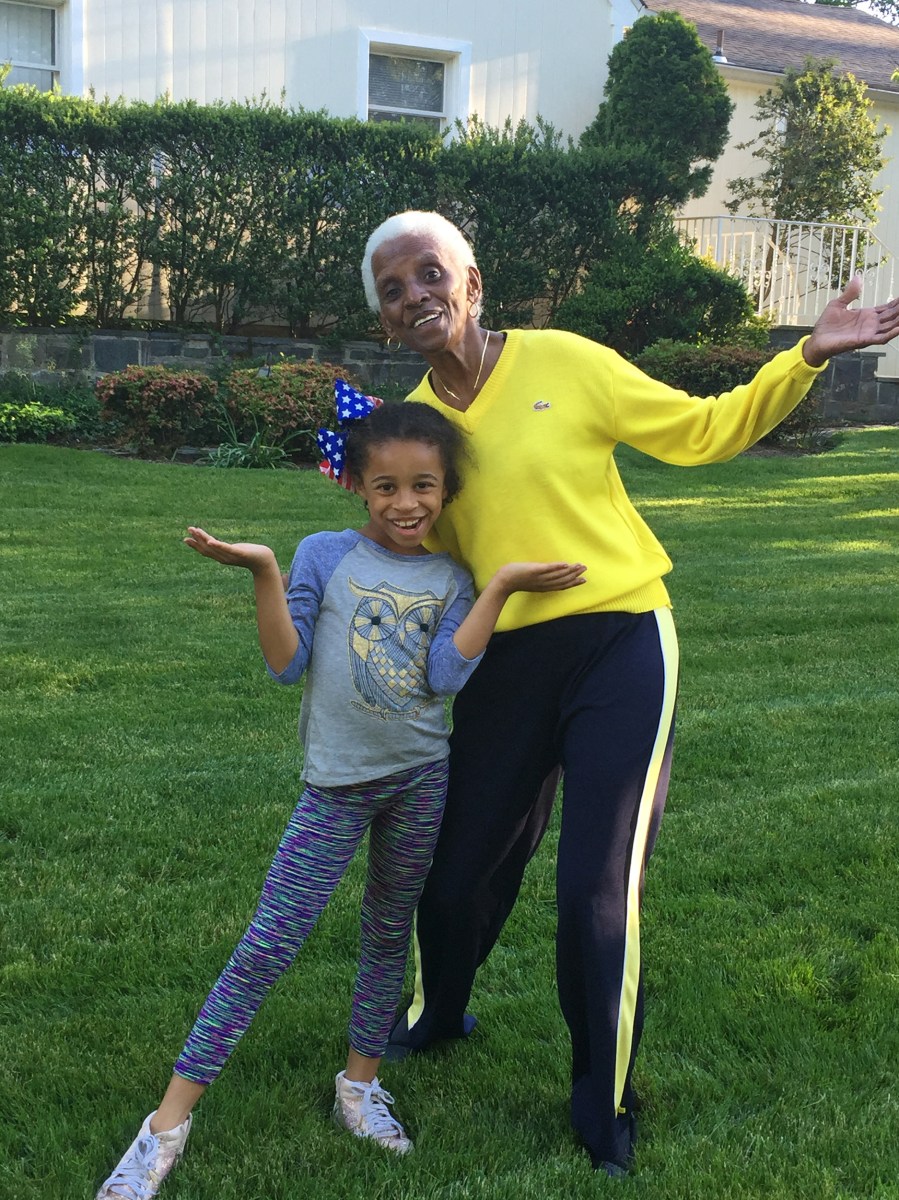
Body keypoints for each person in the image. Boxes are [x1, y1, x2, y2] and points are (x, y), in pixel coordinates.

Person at [359, 210, 899, 1176]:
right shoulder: (414, 428)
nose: (415, 297)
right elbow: (414, 555)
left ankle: (600, 1104)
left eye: (429, 274)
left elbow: (700, 430)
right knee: (453, 872)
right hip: (504, 664)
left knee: (593, 887)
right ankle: (439, 1013)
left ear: (472, 283)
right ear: (383, 319)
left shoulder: (565, 361)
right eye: (393, 290)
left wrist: (805, 357)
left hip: (620, 640)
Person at [94, 398, 586, 1200]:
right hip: (335, 789)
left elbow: (444, 677)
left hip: (420, 781)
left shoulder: (451, 577)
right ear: (357, 484)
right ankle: (165, 1127)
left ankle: (358, 1087)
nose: (405, 504)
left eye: (423, 486)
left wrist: (496, 587)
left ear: (446, 490)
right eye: (386, 486)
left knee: (388, 933)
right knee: (266, 946)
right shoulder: (323, 555)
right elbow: (285, 664)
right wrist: (265, 570)